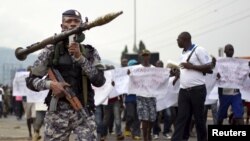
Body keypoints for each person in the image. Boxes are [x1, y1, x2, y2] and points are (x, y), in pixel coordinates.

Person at [26, 9, 106, 140]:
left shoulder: (90, 52)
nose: (73, 24)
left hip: (84, 112)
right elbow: (30, 81)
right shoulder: (50, 50)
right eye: (69, 21)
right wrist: (50, 84)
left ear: (82, 25)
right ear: (62, 26)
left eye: (76, 21)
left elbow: (100, 80)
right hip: (57, 114)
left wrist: (81, 59)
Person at [171, 31, 212, 141]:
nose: (177, 41)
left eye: (178, 39)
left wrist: (192, 66)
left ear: (185, 39)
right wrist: (176, 73)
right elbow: (185, 71)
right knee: (182, 118)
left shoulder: (199, 50)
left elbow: (209, 68)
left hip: (197, 90)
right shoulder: (182, 53)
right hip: (183, 91)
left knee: (199, 119)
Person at [216, 44, 244, 125]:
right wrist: (217, 75)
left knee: (239, 115)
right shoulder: (220, 62)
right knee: (221, 115)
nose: (231, 51)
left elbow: (243, 73)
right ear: (224, 51)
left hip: (235, 93)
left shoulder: (238, 62)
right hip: (224, 93)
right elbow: (214, 75)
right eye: (229, 49)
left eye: (232, 49)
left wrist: (244, 66)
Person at [135, 49, 157, 141]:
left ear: (149, 56)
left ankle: (149, 132)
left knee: (152, 118)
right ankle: (145, 137)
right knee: (144, 118)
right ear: (141, 56)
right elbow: (132, 80)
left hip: (151, 96)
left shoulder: (154, 69)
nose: (145, 57)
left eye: (147, 55)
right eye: (143, 55)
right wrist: (129, 75)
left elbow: (159, 80)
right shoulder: (137, 69)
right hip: (141, 96)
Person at [124, 59, 141, 140]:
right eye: (134, 65)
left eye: (136, 65)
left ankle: (136, 134)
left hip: (138, 98)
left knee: (137, 117)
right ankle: (127, 127)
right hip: (129, 99)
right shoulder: (125, 76)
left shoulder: (140, 75)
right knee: (130, 116)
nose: (136, 66)